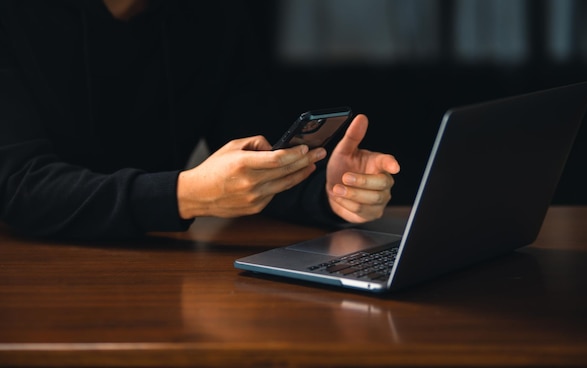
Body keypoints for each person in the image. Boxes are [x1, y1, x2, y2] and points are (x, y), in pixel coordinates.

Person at [0, 0, 400, 240]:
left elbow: (252, 143)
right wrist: (185, 194)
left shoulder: (212, 15)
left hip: (162, 268)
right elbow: (18, 186)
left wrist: (329, 190)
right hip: (27, 276)